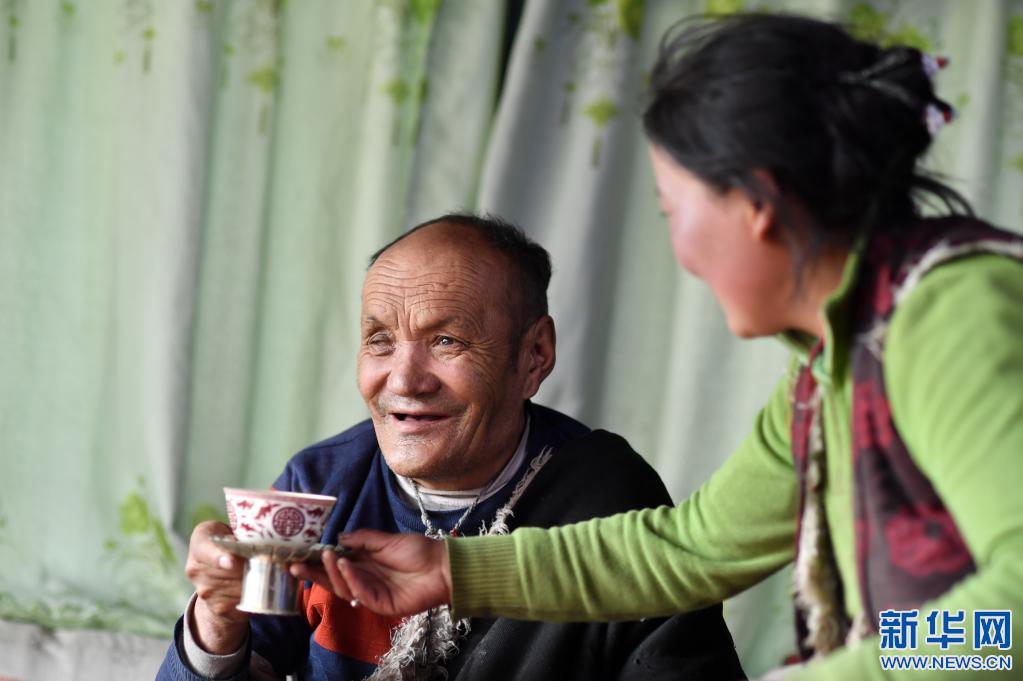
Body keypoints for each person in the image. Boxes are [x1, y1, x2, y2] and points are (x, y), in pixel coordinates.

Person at [299, 13, 1023, 681]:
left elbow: (1007, 616)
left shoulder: (950, 315)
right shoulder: (830, 366)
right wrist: (454, 570)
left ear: (757, 205)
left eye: (673, 211)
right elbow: (690, 548)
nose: (681, 251)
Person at [156, 214, 745, 680]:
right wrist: (216, 618)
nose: (404, 380)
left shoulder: (608, 499)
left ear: (534, 356)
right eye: (380, 340)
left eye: (446, 340)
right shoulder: (320, 486)